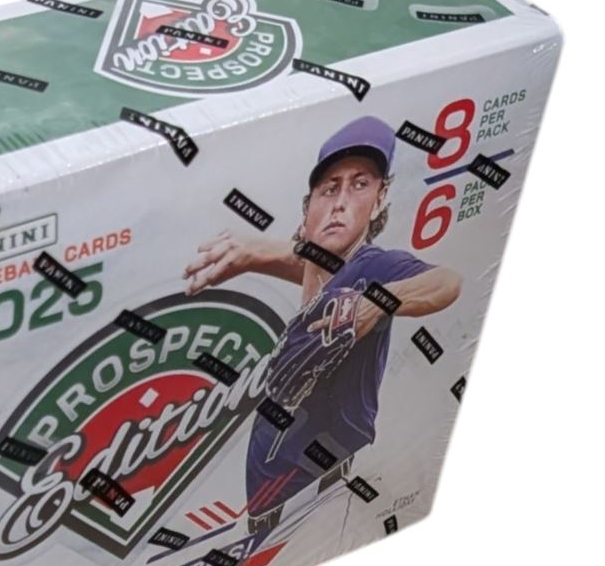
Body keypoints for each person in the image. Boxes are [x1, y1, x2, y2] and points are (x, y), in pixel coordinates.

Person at [183, 116, 462, 532]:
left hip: (321, 492)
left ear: (380, 200)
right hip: (269, 497)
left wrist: (376, 303)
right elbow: (310, 262)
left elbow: (447, 282)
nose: (341, 202)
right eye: (329, 189)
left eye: (360, 185)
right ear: (306, 210)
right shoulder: (322, 271)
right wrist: (257, 253)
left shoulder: (371, 268)